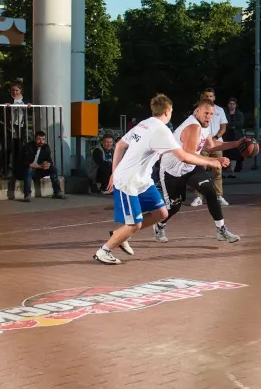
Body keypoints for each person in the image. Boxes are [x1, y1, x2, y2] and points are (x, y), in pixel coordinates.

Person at [93, 94, 229, 265]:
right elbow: (185, 157)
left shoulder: (144, 123)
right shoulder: (161, 131)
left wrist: (114, 171)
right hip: (128, 182)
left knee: (161, 213)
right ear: (167, 111)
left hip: (142, 180)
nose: (171, 113)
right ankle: (103, 250)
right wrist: (212, 161)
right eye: (171, 111)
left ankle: (121, 235)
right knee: (134, 224)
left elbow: (120, 144)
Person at [154, 98, 245, 246]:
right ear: (197, 111)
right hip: (172, 170)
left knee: (210, 191)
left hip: (190, 166)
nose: (208, 116)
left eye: (211, 114)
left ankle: (221, 230)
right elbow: (187, 156)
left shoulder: (205, 126)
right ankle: (159, 225)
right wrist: (213, 162)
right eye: (206, 113)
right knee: (174, 206)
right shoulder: (193, 127)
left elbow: (210, 145)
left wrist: (235, 144)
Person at [191, 88, 230, 208]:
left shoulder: (220, 110)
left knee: (218, 171)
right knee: (200, 171)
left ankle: (219, 195)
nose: (208, 98)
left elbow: (223, 127)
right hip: (202, 144)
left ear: (214, 98)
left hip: (216, 144)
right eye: (206, 96)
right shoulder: (198, 110)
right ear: (203, 97)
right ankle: (198, 197)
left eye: (211, 96)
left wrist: (215, 137)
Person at [17, 130, 65, 202]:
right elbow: (26, 163)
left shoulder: (46, 147)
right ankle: (27, 195)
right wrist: (41, 166)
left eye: (43, 139)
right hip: (25, 172)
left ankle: (57, 192)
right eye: (39, 139)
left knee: (53, 169)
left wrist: (47, 164)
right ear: (35, 139)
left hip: (38, 171)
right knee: (28, 170)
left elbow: (49, 160)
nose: (41, 141)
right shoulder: (28, 147)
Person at [222, 97, 247, 177]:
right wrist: (232, 125)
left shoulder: (239, 114)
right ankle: (224, 170)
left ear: (236, 105)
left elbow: (240, 123)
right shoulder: (225, 114)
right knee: (226, 153)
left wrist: (230, 125)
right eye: (230, 104)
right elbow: (224, 123)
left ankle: (232, 172)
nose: (232, 105)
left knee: (235, 154)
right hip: (227, 136)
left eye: (233, 104)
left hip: (236, 136)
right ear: (228, 105)